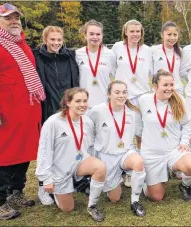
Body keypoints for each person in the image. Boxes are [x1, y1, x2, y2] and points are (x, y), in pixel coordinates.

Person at [0, 3, 45, 220]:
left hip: (25, 112)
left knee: (23, 154)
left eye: (16, 18)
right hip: (3, 115)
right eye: (8, 18)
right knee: (2, 157)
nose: (14, 22)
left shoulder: (19, 43)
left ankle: (16, 192)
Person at [35, 88, 107, 222]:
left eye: (85, 101)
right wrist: (46, 179)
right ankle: (46, 189)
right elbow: (44, 151)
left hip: (79, 162)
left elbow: (90, 146)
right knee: (67, 208)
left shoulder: (87, 121)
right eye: (78, 101)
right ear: (68, 102)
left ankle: (92, 206)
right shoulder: (53, 122)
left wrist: (89, 171)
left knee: (100, 167)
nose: (82, 104)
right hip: (59, 169)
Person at [33, 26, 80, 205]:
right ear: (45, 40)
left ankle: (68, 179)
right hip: (48, 108)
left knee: (68, 146)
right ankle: (43, 186)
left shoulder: (69, 56)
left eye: (59, 40)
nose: (56, 43)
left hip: (67, 109)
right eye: (52, 40)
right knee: (48, 148)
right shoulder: (38, 57)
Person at [138, 69, 191, 202]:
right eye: (165, 85)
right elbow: (137, 126)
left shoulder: (179, 100)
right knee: (156, 197)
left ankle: (185, 185)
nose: (169, 88)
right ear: (155, 86)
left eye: (172, 85)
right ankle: (148, 179)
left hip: (173, 151)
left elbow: (188, 123)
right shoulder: (143, 100)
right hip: (152, 154)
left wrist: (184, 142)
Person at [88, 80, 146, 216]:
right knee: (114, 198)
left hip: (125, 153)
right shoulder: (98, 110)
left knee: (138, 162)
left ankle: (135, 201)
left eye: (124, 92)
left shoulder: (132, 113)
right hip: (106, 156)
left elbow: (137, 135)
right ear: (108, 94)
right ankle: (112, 182)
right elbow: (89, 132)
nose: (121, 95)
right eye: (117, 92)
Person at [75, 20, 116, 113]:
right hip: (83, 104)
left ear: (102, 36)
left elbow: (116, 76)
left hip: (104, 103)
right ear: (85, 35)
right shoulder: (77, 54)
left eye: (98, 34)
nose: (95, 37)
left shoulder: (110, 54)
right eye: (91, 34)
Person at [112, 20, 152, 107]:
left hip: (142, 94)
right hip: (122, 96)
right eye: (132, 31)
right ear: (126, 32)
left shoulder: (147, 50)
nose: (135, 34)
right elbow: (112, 69)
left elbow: (152, 73)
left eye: (138, 31)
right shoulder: (117, 47)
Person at [151, 21, 184, 95]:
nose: (172, 37)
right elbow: (149, 71)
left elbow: (182, 72)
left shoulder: (180, 51)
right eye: (169, 34)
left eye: (175, 35)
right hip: (161, 90)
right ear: (162, 35)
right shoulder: (154, 50)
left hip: (177, 90)